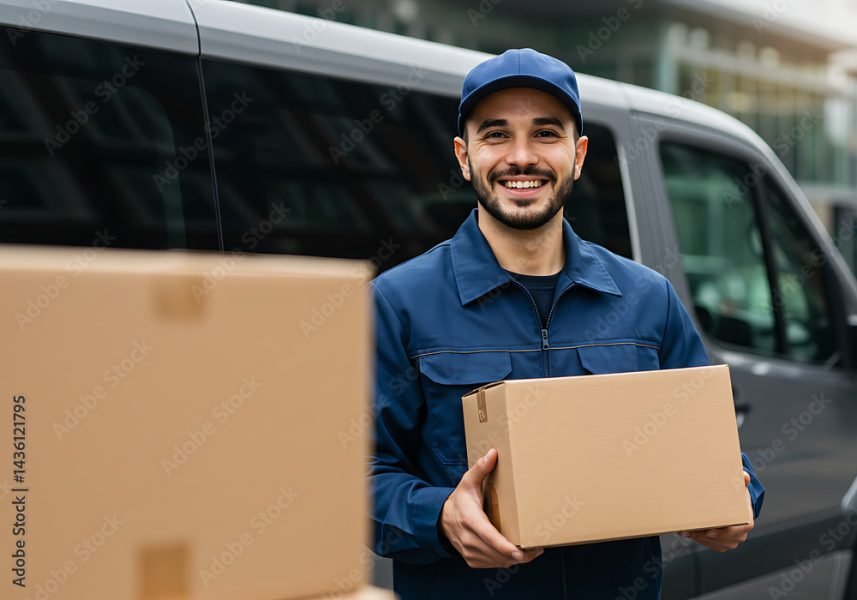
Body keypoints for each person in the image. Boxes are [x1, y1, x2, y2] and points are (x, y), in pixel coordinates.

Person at [369, 48, 764, 599]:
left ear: (578, 155)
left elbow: (717, 456)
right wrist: (439, 516)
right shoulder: (397, 303)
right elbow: (355, 478)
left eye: (546, 133)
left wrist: (737, 500)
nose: (522, 157)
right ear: (464, 156)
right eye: (496, 134)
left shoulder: (647, 299)